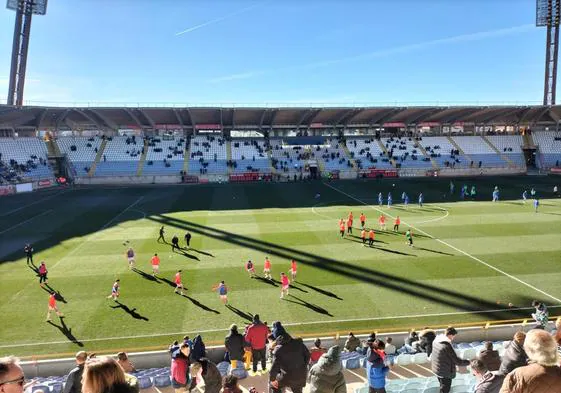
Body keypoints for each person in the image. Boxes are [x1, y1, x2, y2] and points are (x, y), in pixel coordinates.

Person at [430, 327, 470, 393]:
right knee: (445, 389)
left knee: (442, 385)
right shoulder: (447, 346)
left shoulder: (436, 341)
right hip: (444, 372)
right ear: (450, 335)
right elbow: (457, 361)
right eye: (453, 336)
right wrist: (468, 362)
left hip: (437, 369)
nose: (453, 338)